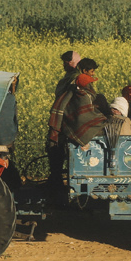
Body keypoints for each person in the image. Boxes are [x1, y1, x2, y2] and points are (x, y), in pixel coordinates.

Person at [46, 51, 83, 194]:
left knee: (58, 148)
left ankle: (57, 183)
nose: (64, 65)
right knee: (58, 149)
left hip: (67, 119)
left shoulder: (75, 78)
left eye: (66, 63)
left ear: (74, 62)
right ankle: (55, 181)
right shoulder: (70, 76)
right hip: (63, 117)